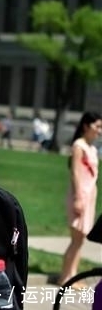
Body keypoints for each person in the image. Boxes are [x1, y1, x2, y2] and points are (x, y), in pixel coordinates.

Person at [57, 111, 102, 288]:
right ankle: (65, 277)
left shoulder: (91, 148)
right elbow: (75, 172)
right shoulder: (79, 146)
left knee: (80, 240)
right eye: (97, 126)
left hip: (89, 196)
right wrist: (77, 198)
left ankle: (73, 274)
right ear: (86, 126)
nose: (99, 131)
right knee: (76, 239)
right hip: (79, 195)